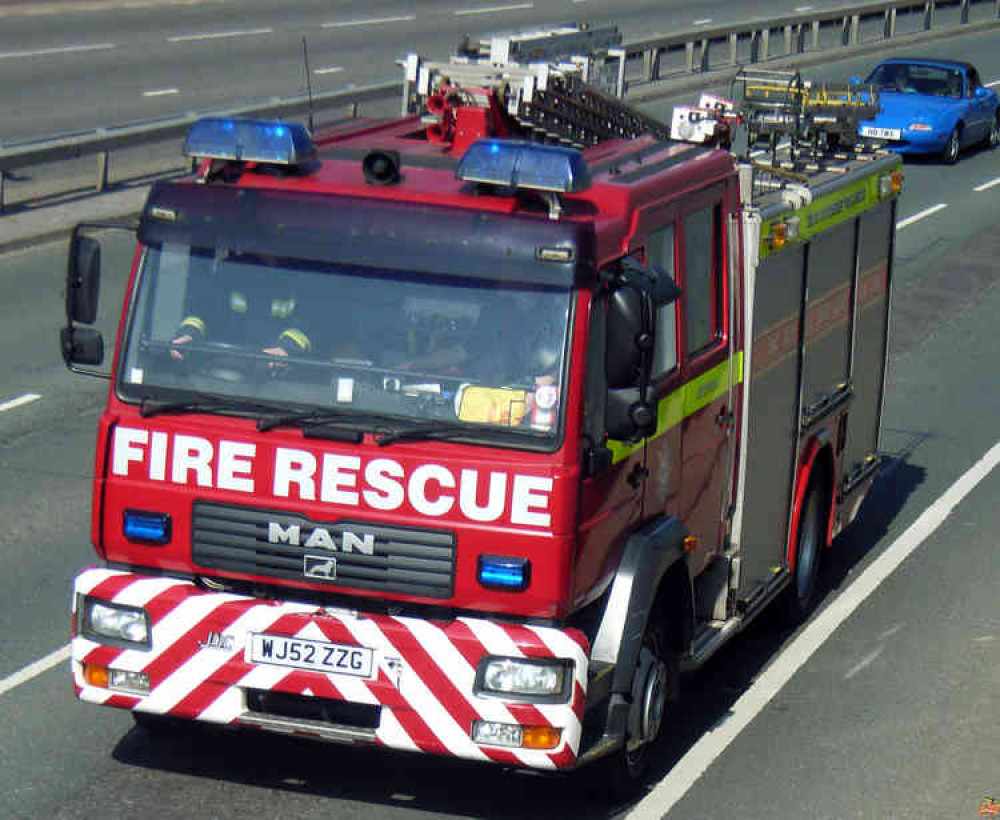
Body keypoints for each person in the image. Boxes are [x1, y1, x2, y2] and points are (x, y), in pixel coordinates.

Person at [170, 251, 313, 364]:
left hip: (280, 380)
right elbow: (204, 310)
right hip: (219, 370)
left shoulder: (303, 277)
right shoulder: (229, 271)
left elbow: (312, 322)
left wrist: (287, 348)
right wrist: (189, 333)